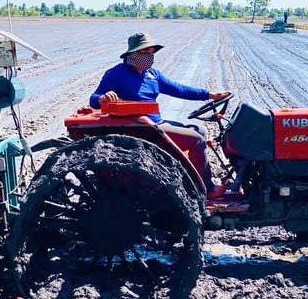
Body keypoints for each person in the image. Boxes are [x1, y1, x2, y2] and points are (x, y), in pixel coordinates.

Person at [89, 32, 231, 198]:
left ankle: (193, 180)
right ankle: (208, 190)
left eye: (152, 52)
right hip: (143, 129)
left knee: (199, 129)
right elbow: (93, 99)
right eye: (145, 53)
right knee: (196, 139)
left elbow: (178, 89)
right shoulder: (117, 73)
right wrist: (104, 98)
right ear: (132, 54)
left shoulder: (152, 75)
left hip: (156, 123)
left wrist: (210, 95)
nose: (150, 57)